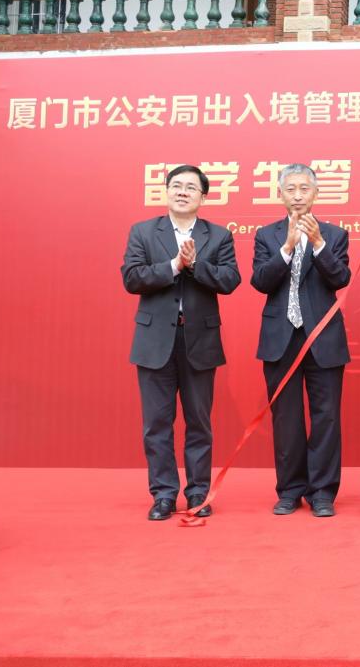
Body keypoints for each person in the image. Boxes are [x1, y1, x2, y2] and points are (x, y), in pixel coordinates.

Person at [121, 165, 241, 520]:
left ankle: (198, 493)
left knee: (199, 422)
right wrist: (174, 265)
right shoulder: (143, 231)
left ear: (203, 196)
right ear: (167, 192)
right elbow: (132, 278)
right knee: (156, 424)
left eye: (191, 187)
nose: (182, 192)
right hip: (154, 341)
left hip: (199, 341)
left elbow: (230, 280)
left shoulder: (218, 236)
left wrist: (194, 265)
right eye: (176, 185)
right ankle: (163, 495)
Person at [252, 163, 351, 517]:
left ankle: (322, 492)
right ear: (280, 194)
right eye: (290, 189)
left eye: (304, 188)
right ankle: (290, 490)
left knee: (326, 418)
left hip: (323, 339)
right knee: (286, 419)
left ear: (316, 194)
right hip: (281, 339)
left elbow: (340, 278)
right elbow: (261, 281)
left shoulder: (335, 235)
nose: (297, 195)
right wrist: (288, 247)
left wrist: (318, 244)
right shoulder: (267, 235)